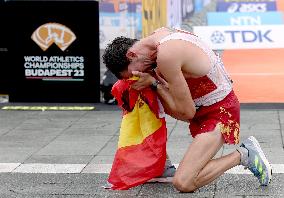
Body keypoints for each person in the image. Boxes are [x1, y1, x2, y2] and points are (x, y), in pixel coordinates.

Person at [102, 27, 272, 192]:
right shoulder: (159, 38)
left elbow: (187, 112)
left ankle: (244, 154)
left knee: (184, 183)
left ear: (132, 54)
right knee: (128, 89)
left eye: (134, 72)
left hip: (220, 112)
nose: (137, 74)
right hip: (203, 107)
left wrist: (154, 84)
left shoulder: (167, 54)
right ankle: (161, 164)